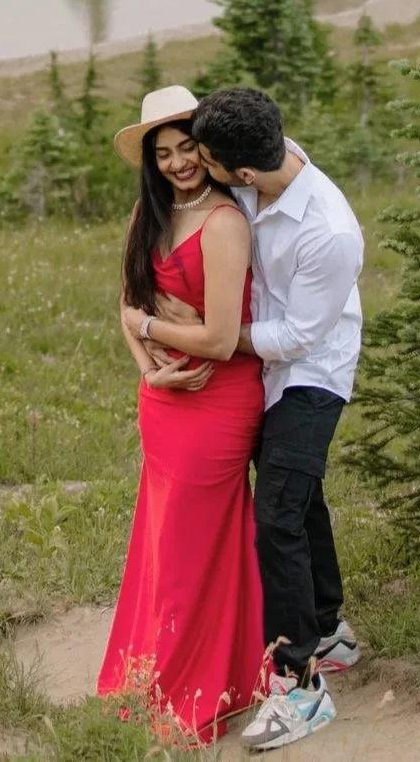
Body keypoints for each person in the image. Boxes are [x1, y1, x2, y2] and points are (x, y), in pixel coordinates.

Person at [146, 85, 364, 751]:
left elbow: (298, 335)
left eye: (204, 158)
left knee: (275, 516)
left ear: (240, 170)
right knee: (299, 497)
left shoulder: (328, 230)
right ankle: (328, 629)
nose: (196, 166)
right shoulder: (252, 169)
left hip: (309, 376)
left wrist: (211, 333)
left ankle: (300, 686)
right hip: (257, 370)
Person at [99, 85, 267, 745]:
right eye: (163, 153)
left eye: (187, 146)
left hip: (217, 400)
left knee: (194, 545)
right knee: (163, 539)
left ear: (207, 146)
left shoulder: (224, 223)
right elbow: (125, 306)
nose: (177, 163)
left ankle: (199, 680)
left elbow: (221, 340)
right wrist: (150, 364)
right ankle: (158, 666)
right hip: (164, 398)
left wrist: (155, 329)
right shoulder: (149, 212)